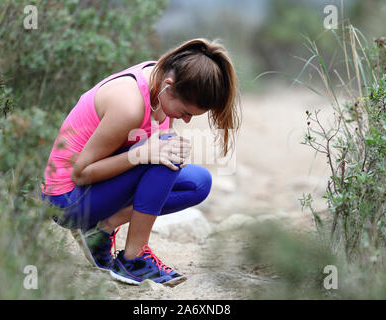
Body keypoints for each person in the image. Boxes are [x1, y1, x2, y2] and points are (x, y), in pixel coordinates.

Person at [40, 38, 241, 285]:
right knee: (163, 155)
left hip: (96, 187)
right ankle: (133, 260)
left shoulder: (163, 79)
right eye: (186, 113)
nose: (187, 121)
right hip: (66, 200)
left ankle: (101, 229)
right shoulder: (130, 105)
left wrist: (150, 152)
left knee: (199, 182)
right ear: (169, 85)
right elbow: (80, 173)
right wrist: (144, 154)